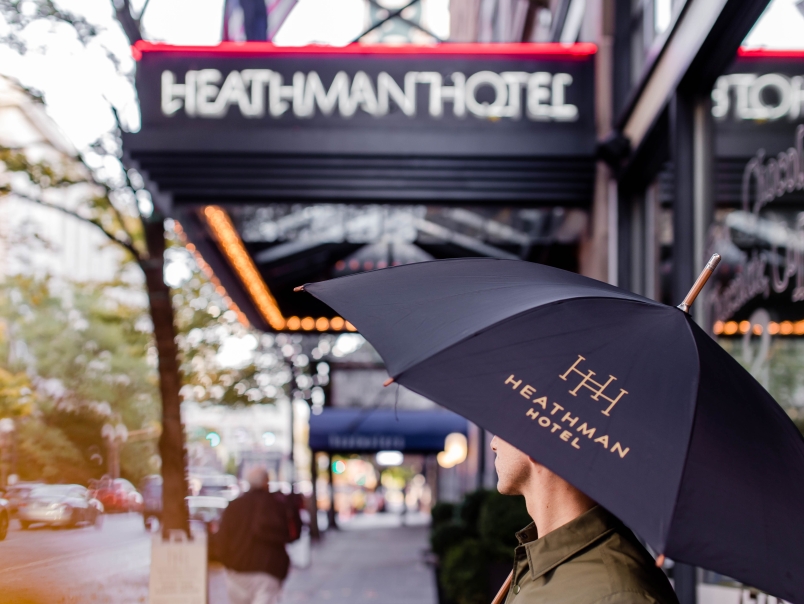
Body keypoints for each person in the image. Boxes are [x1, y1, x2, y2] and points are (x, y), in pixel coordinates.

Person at [490, 435, 680, 604]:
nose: (493, 444)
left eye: (501, 429)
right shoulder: (540, 559)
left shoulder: (619, 596)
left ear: (536, 441)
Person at [216, 467, 292, 604]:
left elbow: (222, 538)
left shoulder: (234, 506)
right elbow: (288, 535)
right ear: (265, 482)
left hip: (236, 572)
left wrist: (227, 563)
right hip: (267, 571)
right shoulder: (275, 504)